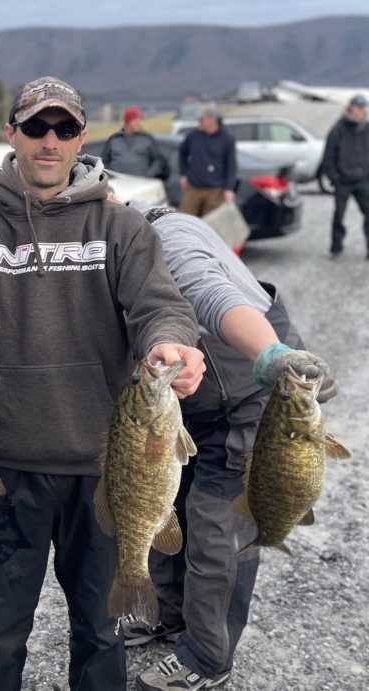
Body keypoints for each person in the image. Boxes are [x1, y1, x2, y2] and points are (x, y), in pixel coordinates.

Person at [0, 75, 206, 691]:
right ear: (13, 135)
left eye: (64, 129)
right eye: (36, 127)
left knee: (100, 631)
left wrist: (172, 343)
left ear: (81, 138)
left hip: (105, 469)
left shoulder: (124, 230)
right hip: (5, 469)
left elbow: (159, 306)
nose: (49, 141)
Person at [118, 204, 338, 691]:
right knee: (166, 504)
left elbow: (211, 293)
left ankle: (207, 658)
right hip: (186, 402)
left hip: (251, 385)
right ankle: (168, 614)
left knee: (217, 526)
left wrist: (274, 356)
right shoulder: (94, 251)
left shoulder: (164, 238)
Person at [320, 93, 369, 258]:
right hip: (343, 182)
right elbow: (328, 157)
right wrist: (335, 178)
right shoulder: (338, 130)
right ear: (350, 108)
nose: (360, 111)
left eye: (363, 108)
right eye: (357, 107)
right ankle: (336, 248)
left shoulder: (367, 129)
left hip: (363, 181)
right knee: (339, 216)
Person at [178, 104, 237, 217]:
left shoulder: (227, 138)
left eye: (201, 119)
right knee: (184, 218)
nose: (198, 122)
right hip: (193, 187)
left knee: (212, 223)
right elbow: (182, 153)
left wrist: (229, 188)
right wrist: (183, 174)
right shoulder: (193, 136)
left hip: (216, 189)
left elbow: (231, 165)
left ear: (212, 119)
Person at [100, 105, 169, 179]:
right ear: (128, 121)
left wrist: (147, 176)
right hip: (117, 185)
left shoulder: (147, 139)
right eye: (135, 120)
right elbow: (104, 162)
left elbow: (158, 161)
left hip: (140, 186)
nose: (139, 123)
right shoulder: (114, 139)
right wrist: (109, 177)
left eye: (140, 120)